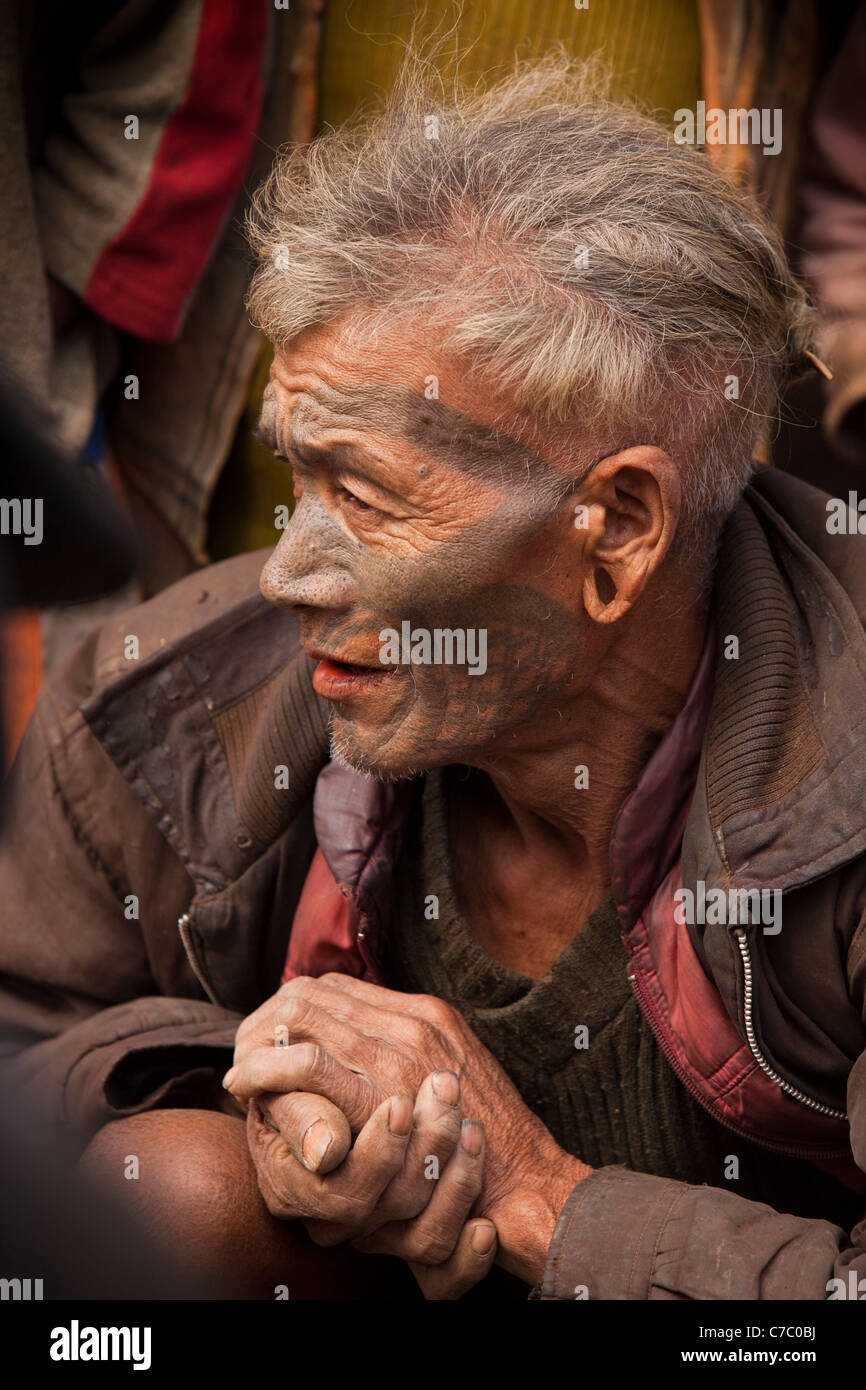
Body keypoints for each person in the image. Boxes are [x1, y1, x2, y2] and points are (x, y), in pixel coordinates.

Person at [2, 53, 865, 1301]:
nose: (289, 572)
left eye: (360, 493)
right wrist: (264, 1076)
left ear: (617, 527)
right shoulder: (166, 705)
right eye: (296, 477)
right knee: (173, 1190)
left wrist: (542, 1202)